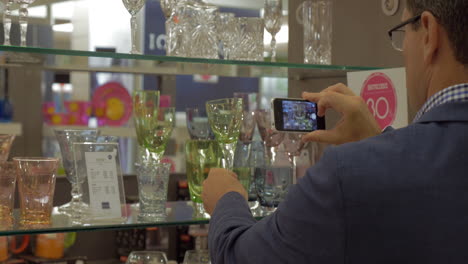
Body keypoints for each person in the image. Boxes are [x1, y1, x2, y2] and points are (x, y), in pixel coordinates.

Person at [202, 0, 468, 263]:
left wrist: (227, 199)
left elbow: (239, 256)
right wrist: (378, 144)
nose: (402, 50)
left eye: (404, 32)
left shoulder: (343, 174)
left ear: (428, 34)